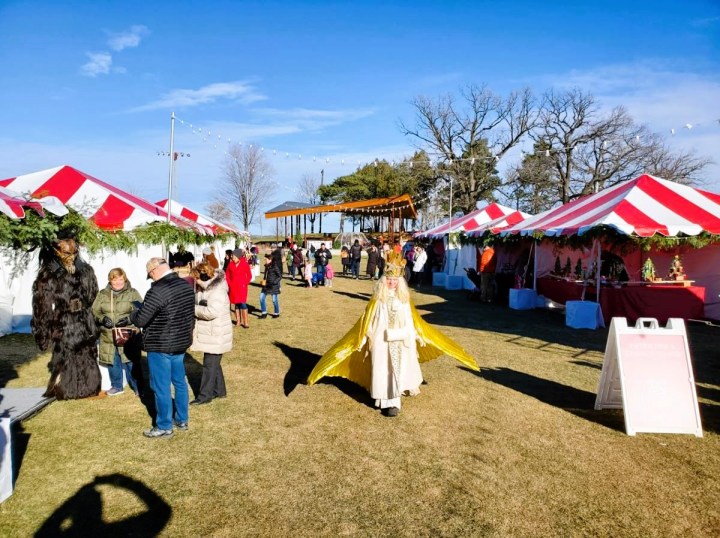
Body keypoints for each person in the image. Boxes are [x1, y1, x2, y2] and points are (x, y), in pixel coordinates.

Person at [308, 251, 479, 417]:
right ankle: (385, 400)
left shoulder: (404, 299)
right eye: (388, 279)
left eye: (395, 280)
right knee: (383, 370)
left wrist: (417, 335)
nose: (391, 282)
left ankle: (394, 403)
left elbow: (411, 320)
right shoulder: (378, 299)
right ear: (383, 280)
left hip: (400, 340)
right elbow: (369, 320)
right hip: (381, 340)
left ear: (400, 281)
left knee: (398, 369)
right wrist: (364, 337)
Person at [130, 257, 195, 439]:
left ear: (153, 272)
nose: (151, 279)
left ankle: (164, 425)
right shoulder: (186, 286)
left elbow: (141, 320)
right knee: (180, 382)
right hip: (180, 342)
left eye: (150, 276)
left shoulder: (157, 290)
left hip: (160, 344)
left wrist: (134, 313)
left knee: (161, 387)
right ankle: (182, 419)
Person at [92, 268, 143, 396]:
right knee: (112, 361)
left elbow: (141, 311)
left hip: (128, 333)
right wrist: (102, 319)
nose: (119, 282)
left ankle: (138, 387)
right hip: (108, 334)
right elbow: (94, 312)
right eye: (115, 280)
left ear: (125, 279)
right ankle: (116, 386)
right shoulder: (102, 294)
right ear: (110, 280)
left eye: (121, 279)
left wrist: (128, 319)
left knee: (130, 361)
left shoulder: (133, 293)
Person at [189, 262, 232, 405]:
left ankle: (204, 396)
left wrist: (193, 309)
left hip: (216, 333)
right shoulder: (207, 288)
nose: (195, 281)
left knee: (209, 365)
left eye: (197, 278)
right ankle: (220, 391)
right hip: (212, 332)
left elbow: (211, 312)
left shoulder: (217, 290)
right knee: (213, 363)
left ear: (204, 276)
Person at [225, 248, 252, 328]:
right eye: (232, 255)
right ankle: (238, 321)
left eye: (233, 255)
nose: (232, 256)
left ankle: (245, 322)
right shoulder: (230, 264)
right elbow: (227, 275)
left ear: (237, 256)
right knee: (236, 304)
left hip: (242, 288)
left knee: (243, 303)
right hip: (233, 287)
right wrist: (230, 284)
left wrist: (245, 283)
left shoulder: (244, 264)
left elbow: (249, 276)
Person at [260, 250, 282, 318]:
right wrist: (263, 281)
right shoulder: (266, 266)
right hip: (266, 285)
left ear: (270, 259)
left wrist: (275, 282)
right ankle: (264, 313)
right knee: (261, 298)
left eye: (266, 259)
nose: (265, 260)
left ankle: (276, 313)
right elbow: (266, 275)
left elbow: (280, 276)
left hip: (273, 286)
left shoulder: (274, 266)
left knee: (274, 300)